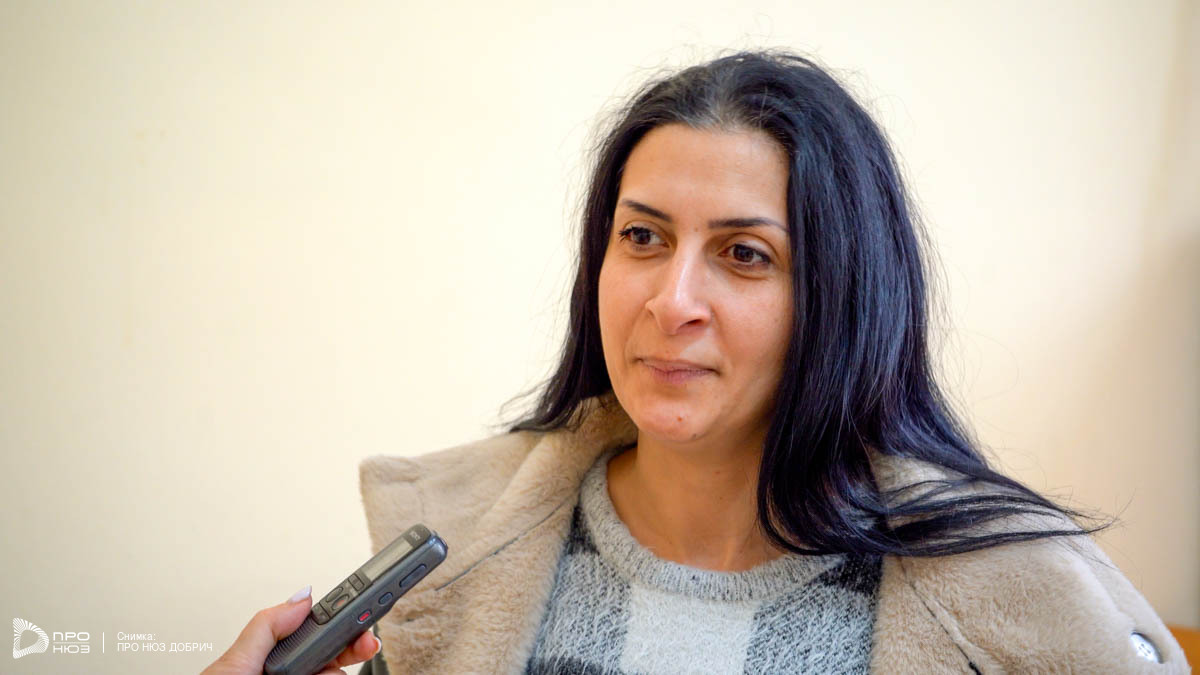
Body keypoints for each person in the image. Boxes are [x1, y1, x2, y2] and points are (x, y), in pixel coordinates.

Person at [213, 49, 1189, 674]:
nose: (671, 299)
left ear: (841, 295)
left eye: (744, 253)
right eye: (642, 237)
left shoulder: (1015, 599)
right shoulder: (459, 560)